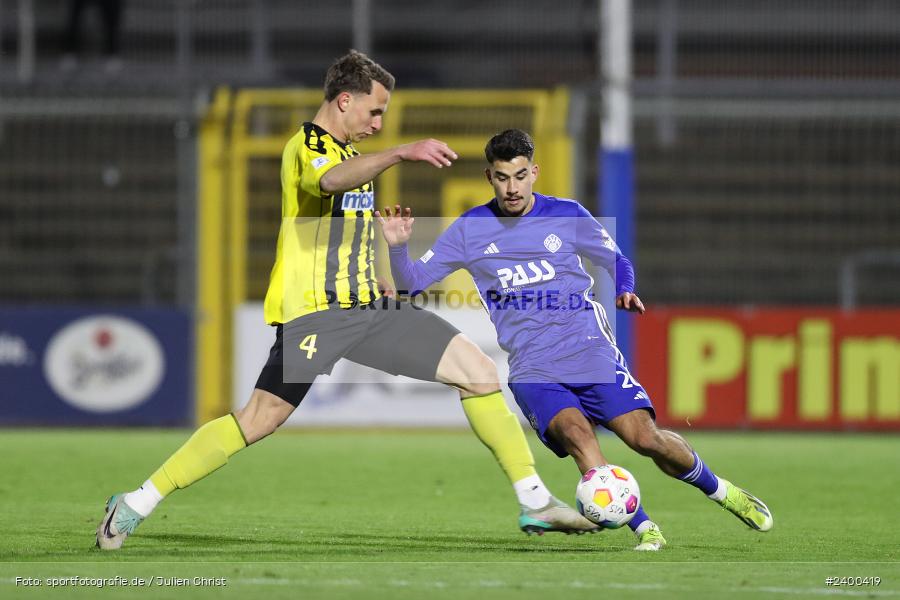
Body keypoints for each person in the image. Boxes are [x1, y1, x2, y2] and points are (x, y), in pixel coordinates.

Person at [96, 53, 597, 550]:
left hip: (369, 309)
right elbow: (328, 183)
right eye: (374, 111)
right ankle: (136, 501)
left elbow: (345, 232)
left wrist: (384, 269)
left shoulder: (353, 158)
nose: (378, 122)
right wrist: (402, 151)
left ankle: (534, 501)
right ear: (343, 101)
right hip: (317, 312)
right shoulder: (309, 145)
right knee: (259, 419)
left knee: (480, 372)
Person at [378, 128, 774, 551]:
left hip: (588, 348)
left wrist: (626, 287)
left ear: (535, 172)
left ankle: (721, 491)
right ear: (489, 177)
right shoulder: (470, 229)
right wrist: (399, 248)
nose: (511, 187)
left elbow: (614, 258)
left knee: (645, 439)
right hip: (533, 366)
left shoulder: (565, 214)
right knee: (576, 434)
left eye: (519, 176)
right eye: (501, 177)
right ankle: (644, 528)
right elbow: (412, 285)